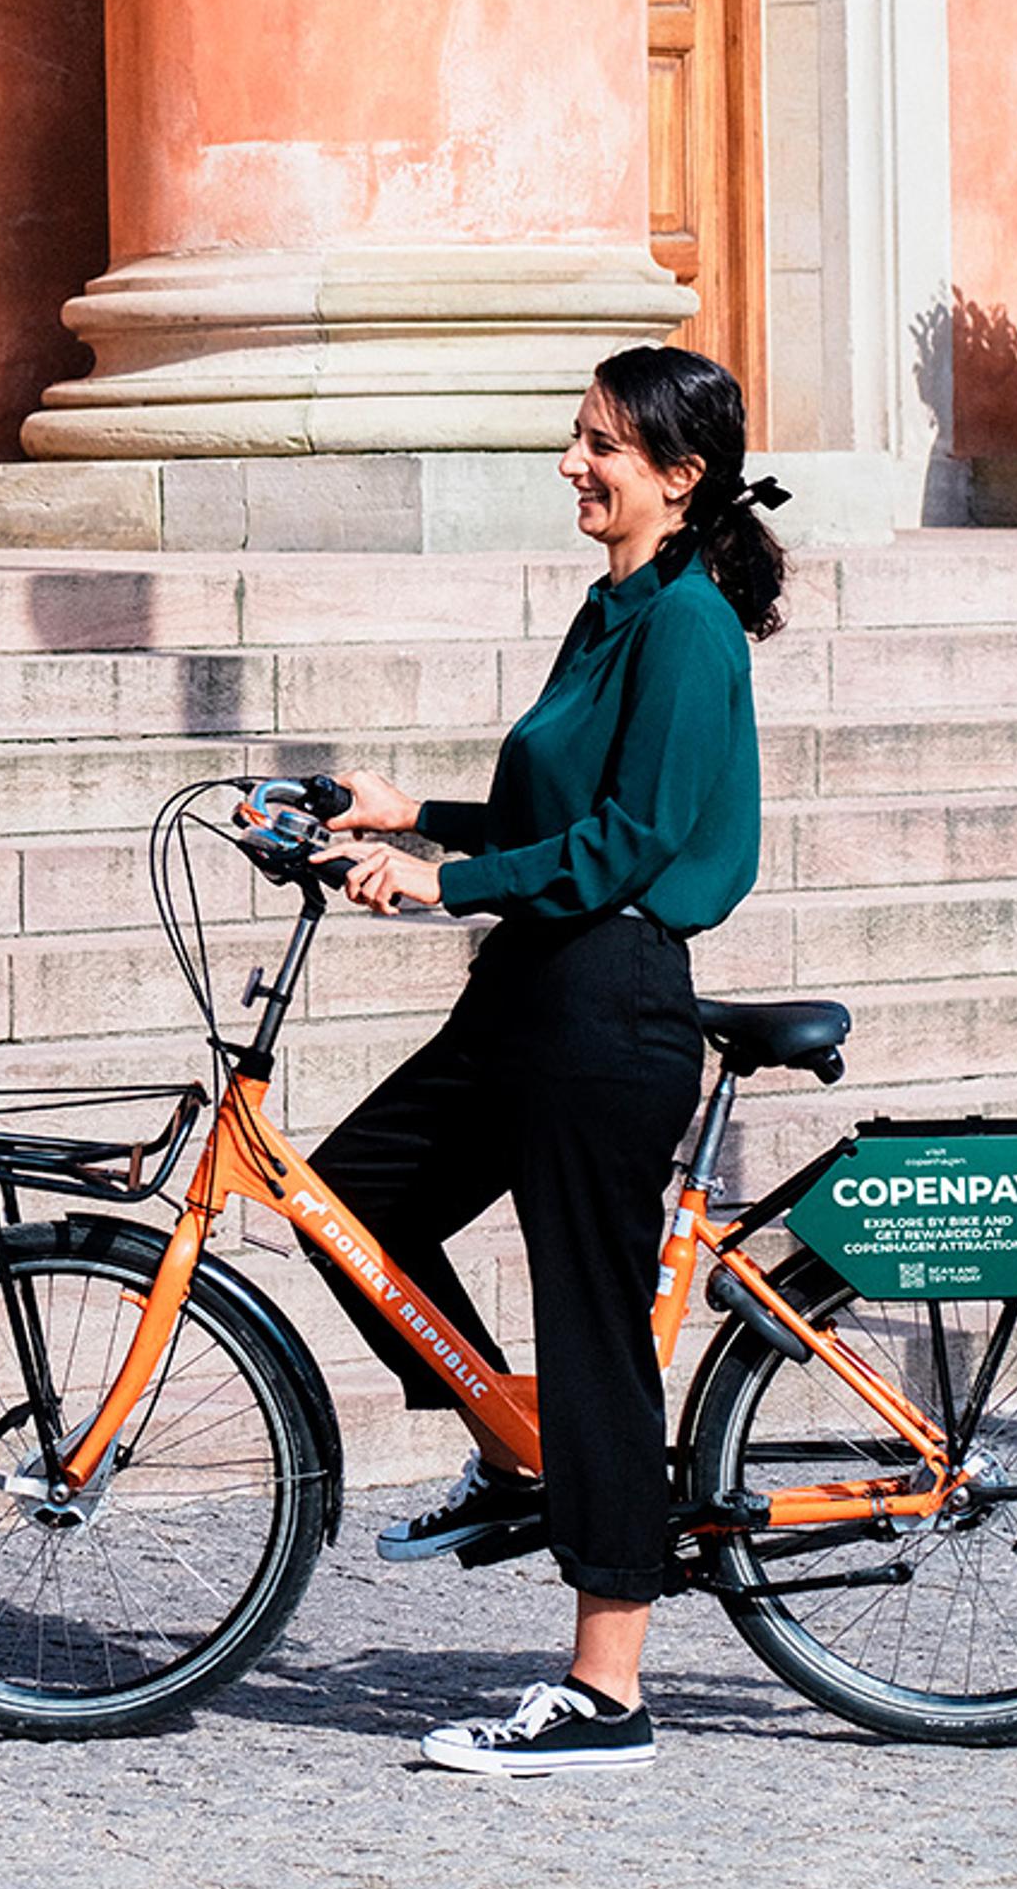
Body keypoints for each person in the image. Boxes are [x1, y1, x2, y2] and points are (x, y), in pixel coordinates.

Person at [296, 344, 786, 1780]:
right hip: (532, 989)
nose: (574, 464)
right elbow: (556, 811)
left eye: (602, 447)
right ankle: (517, 1453)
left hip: (606, 1003)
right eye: (576, 439)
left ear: (680, 477)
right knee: (351, 1198)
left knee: (592, 1336)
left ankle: (608, 1692)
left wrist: (445, 884)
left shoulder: (687, 624)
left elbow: (632, 842)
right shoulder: (614, 605)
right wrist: (412, 817)